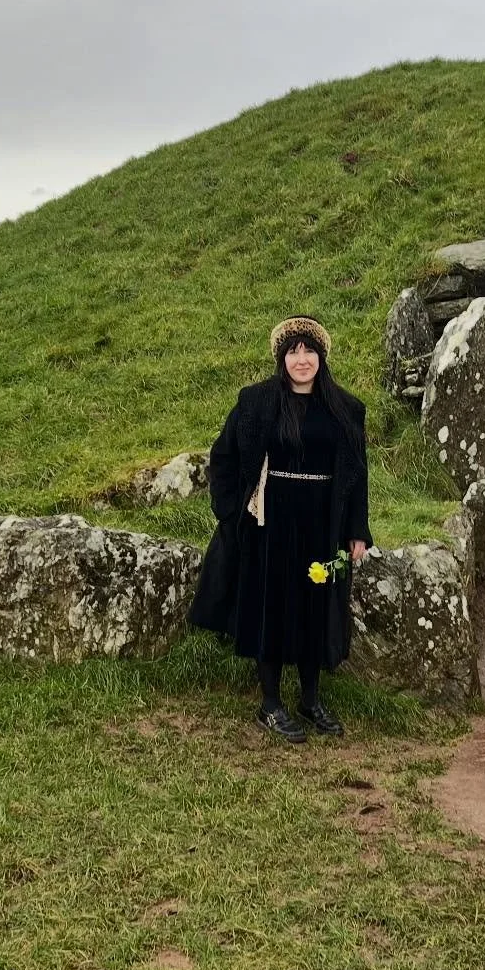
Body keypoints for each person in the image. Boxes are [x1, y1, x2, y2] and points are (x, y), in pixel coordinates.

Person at [189, 316, 372, 741]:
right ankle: (270, 704)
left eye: (309, 351)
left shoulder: (345, 410)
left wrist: (356, 528)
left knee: (314, 606)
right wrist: (233, 512)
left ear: (321, 357)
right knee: (270, 606)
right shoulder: (256, 403)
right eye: (293, 351)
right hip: (268, 524)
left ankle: (310, 699)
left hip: (321, 523)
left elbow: (357, 475)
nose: (302, 359)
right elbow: (224, 457)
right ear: (281, 358)